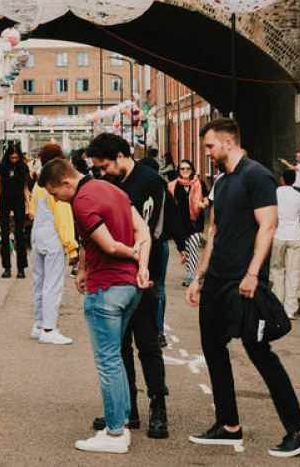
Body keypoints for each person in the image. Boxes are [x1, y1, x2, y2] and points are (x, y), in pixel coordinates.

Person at [186, 118, 300, 458]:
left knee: (260, 354)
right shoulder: (223, 180)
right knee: (212, 348)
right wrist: (198, 276)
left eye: (211, 146)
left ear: (229, 143)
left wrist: (253, 274)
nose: (208, 152)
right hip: (216, 281)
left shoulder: (257, 175)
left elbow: (267, 227)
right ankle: (228, 425)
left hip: (243, 284)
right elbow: (214, 231)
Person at [39, 158, 152, 454]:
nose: (55, 199)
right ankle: (122, 425)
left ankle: (115, 435)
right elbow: (143, 232)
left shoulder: (81, 202)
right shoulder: (113, 189)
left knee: (109, 363)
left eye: (54, 193)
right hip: (129, 288)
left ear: (66, 182)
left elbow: (109, 245)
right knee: (117, 359)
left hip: (106, 290)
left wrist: (128, 255)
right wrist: (141, 265)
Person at [88, 133, 186, 440]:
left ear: (120, 156)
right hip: (114, 273)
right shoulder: (107, 182)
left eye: (104, 166)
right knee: (119, 347)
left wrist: (143, 266)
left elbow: (153, 231)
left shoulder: (150, 182)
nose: (100, 173)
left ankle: (159, 407)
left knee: (147, 343)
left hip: (145, 275)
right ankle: (126, 408)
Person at [29, 144, 78, 345]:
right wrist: (72, 247)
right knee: (53, 284)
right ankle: (49, 328)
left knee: (39, 283)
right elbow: (63, 217)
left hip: (38, 235)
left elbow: (32, 210)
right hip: (54, 237)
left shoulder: (38, 184)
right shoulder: (58, 184)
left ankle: (39, 324)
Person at [271, 169, 300, 319]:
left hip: (278, 236)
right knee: (293, 272)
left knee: (277, 270)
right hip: (295, 237)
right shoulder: (299, 197)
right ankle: (290, 308)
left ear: (281, 179)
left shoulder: (274, 194)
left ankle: (277, 305)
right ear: (294, 181)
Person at [169, 159, 209, 288]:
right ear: (178, 171)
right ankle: (190, 272)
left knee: (194, 248)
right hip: (180, 223)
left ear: (192, 170)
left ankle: (192, 275)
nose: (185, 171)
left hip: (195, 222)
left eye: (188, 168)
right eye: (182, 169)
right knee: (185, 250)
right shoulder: (173, 185)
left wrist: (203, 204)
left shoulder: (199, 184)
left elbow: (208, 199)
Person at [0, 144, 31, 278]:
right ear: (8, 156)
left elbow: (26, 188)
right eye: (12, 157)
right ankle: (7, 267)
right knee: (4, 235)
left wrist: (30, 206)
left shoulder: (23, 168)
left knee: (20, 235)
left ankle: (21, 268)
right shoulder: (1, 167)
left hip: (18, 201)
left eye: (16, 157)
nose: (14, 160)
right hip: (4, 200)